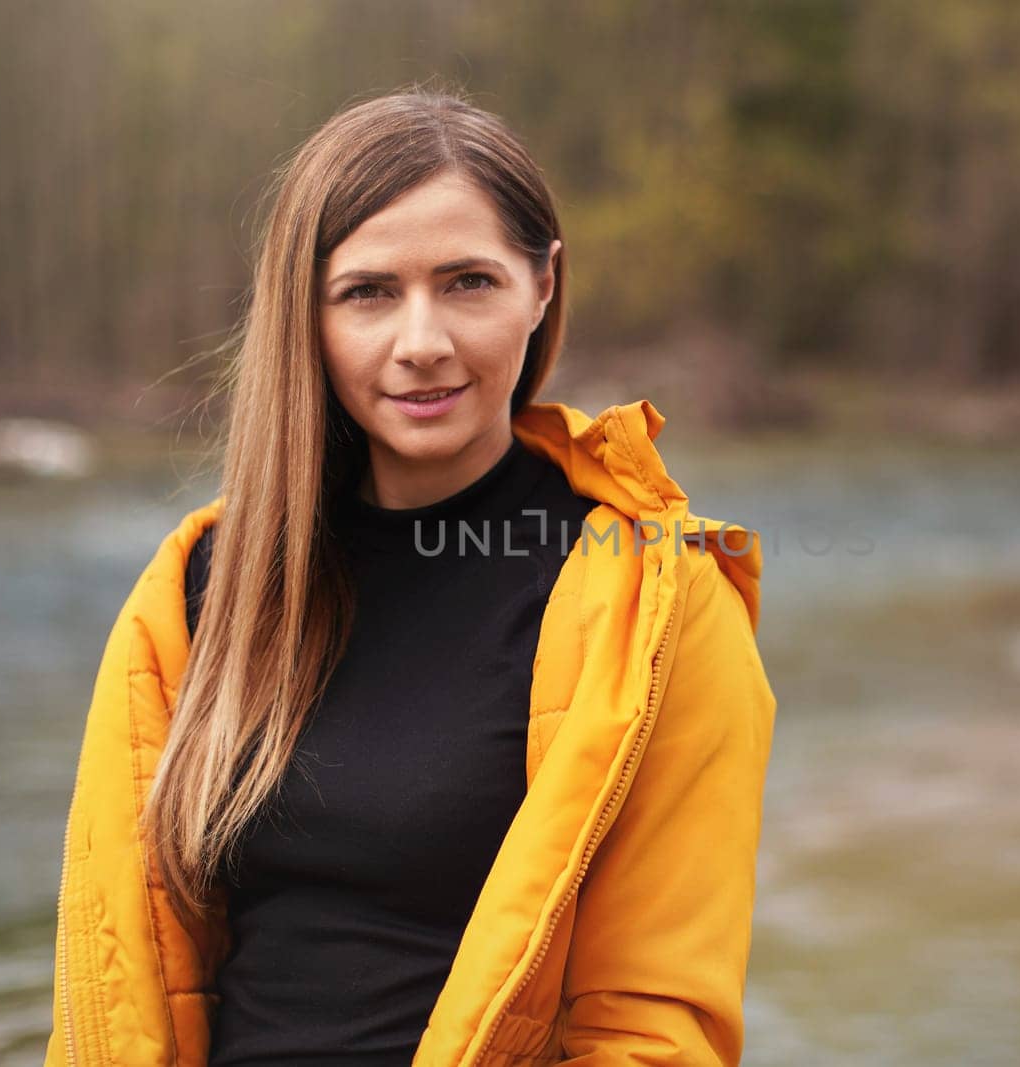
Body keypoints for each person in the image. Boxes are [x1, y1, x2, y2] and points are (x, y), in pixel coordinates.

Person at [44, 85, 776, 1066]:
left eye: (468, 281)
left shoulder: (660, 606)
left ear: (543, 284)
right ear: (305, 314)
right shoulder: (199, 586)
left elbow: (653, 1026)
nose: (421, 340)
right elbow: (112, 978)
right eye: (369, 291)